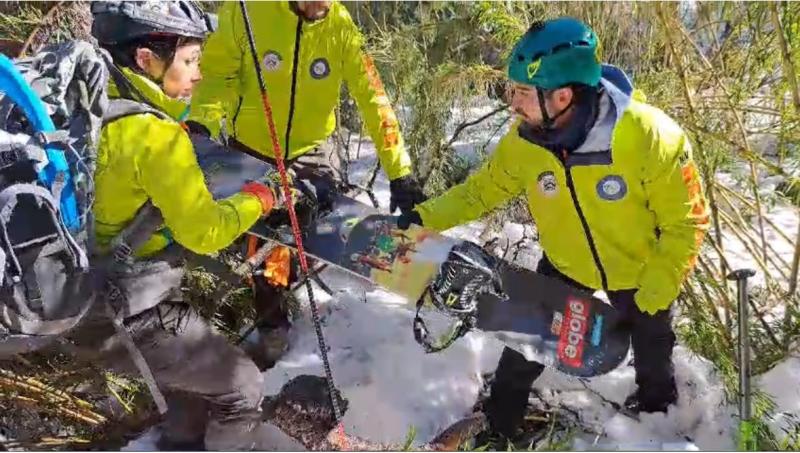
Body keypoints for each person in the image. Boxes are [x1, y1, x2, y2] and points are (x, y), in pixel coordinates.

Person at [398, 17, 710, 440]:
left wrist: (659, 282)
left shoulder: (649, 136)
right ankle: (499, 425)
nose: (513, 104)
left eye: (523, 93)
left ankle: (658, 422)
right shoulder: (525, 142)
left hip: (642, 269)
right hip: (567, 264)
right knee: (522, 349)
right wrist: (426, 217)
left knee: (653, 348)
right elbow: (481, 192)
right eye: (513, 91)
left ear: (562, 95)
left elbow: (687, 221)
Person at [68, 2, 304, 450]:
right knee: (242, 386)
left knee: (191, 382)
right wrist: (263, 196)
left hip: (78, 296)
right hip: (126, 312)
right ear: (146, 60)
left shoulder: (92, 106)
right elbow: (206, 233)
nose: (198, 74)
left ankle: (179, 442)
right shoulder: (155, 135)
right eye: (191, 60)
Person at [187, 0, 426, 366]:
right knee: (267, 247)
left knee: (320, 227)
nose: (323, 4)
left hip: (313, 151)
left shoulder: (340, 26)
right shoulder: (249, 11)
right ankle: (273, 327)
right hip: (254, 150)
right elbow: (217, 73)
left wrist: (400, 171)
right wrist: (202, 120)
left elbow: (373, 98)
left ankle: (302, 276)